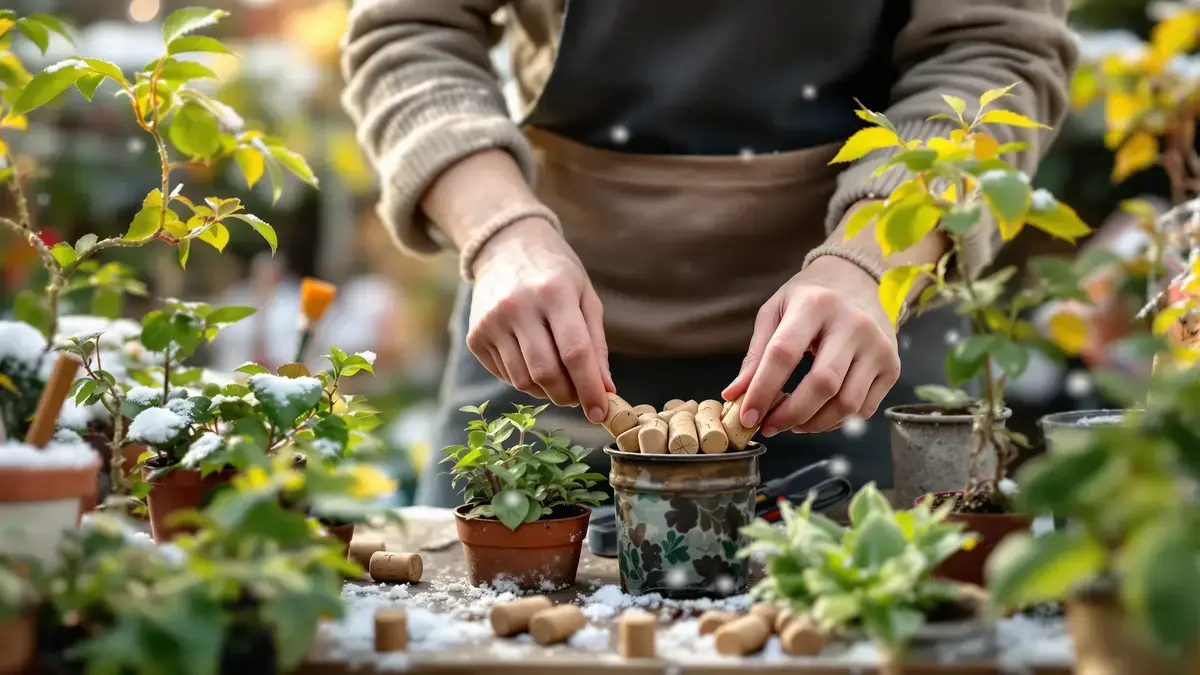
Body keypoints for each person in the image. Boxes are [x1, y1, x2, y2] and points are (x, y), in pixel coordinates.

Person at [341, 0, 1077, 507]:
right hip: (544, 333)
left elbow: (997, 49)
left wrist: (867, 263)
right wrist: (501, 231)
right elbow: (409, 29)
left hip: (866, 341)